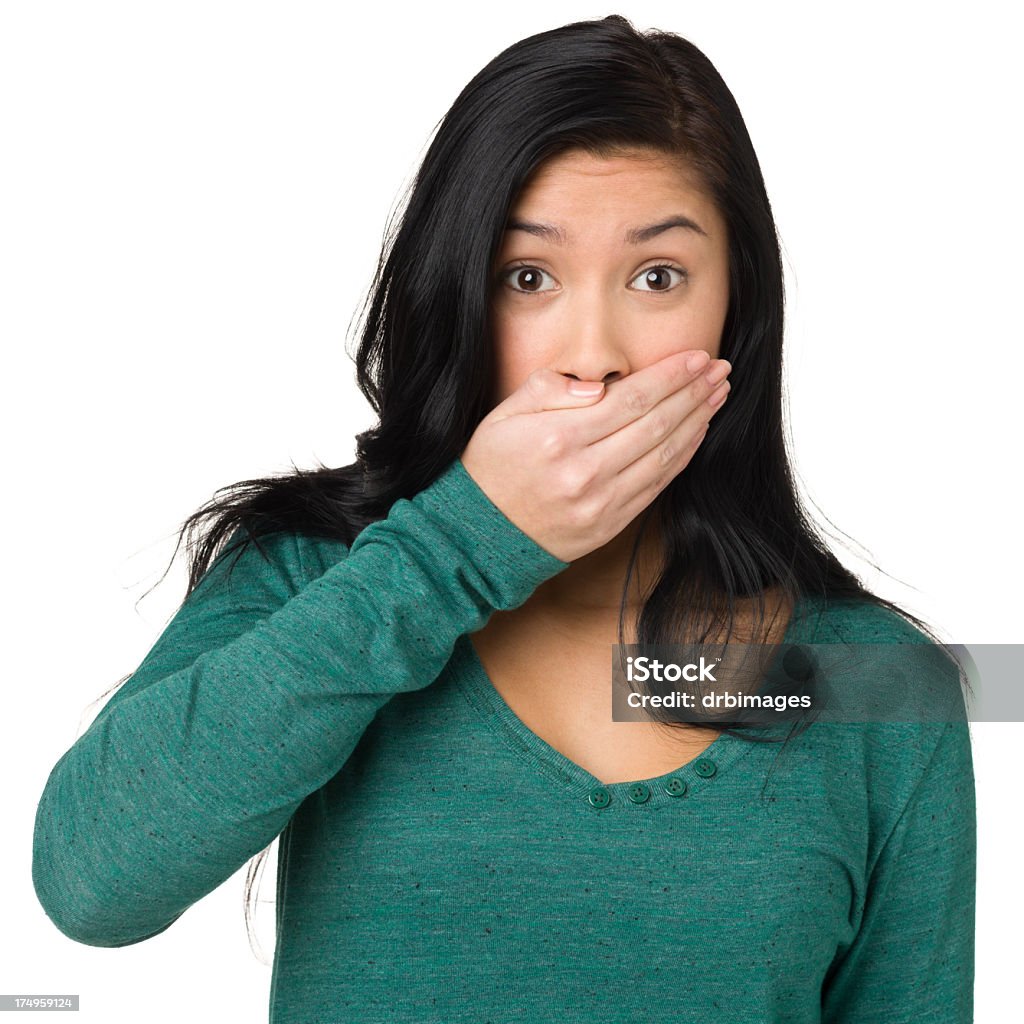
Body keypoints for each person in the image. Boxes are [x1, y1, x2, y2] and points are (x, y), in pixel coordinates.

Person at [31, 13, 975, 1023]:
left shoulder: (867, 684)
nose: (594, 353)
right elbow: (92, 885)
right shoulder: (311, 582)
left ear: (734, 310)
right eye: (528, 279)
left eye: (658, 278)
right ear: (457, 299)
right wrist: (458, 545)